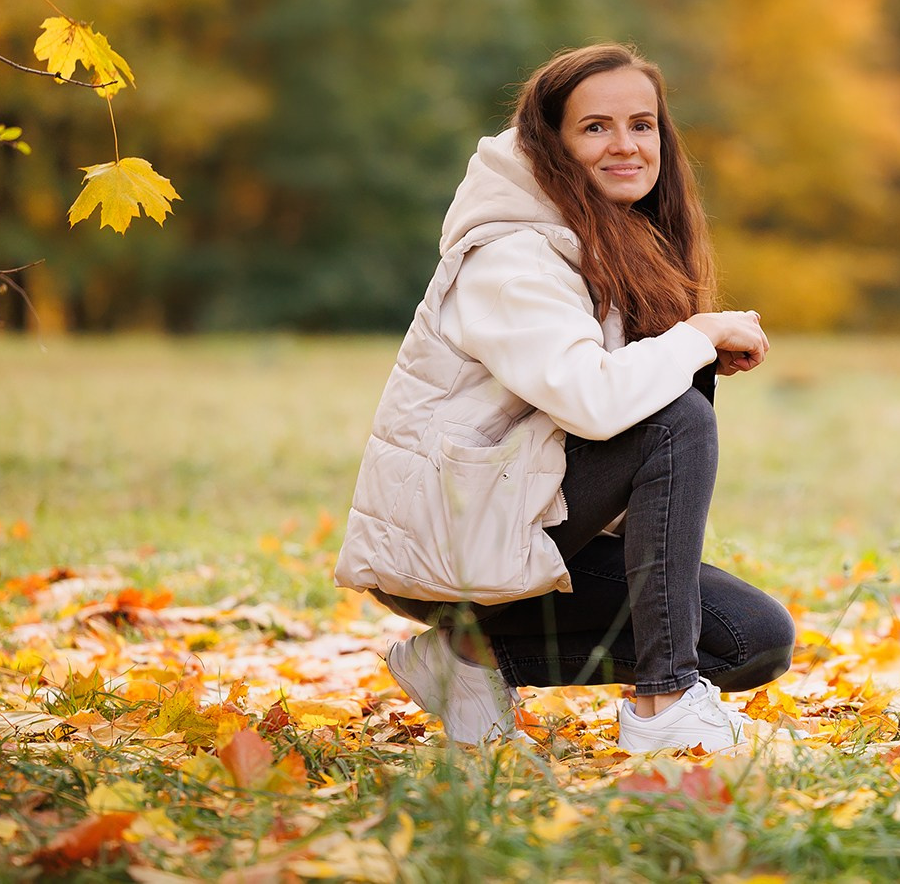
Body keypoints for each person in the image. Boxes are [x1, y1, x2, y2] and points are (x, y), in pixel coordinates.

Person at [333, 44, 794, 752]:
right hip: (452, 542)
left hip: (530, 519)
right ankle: (664, 704)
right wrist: (694, 337)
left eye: (642, 125)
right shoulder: (511, 253)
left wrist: (688, 354)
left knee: (752, 638)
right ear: (550, 143)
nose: (625, 145)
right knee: (676, 418)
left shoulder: (615, 235)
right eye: (595, 127)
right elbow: (595, 404)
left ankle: (469, 659)